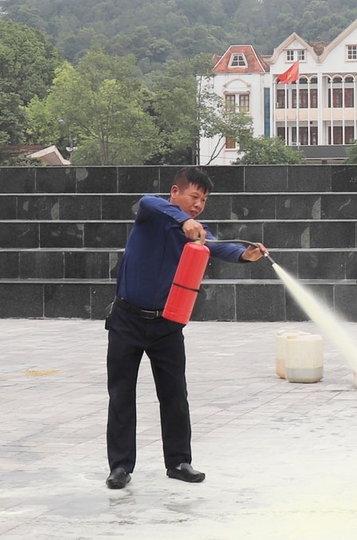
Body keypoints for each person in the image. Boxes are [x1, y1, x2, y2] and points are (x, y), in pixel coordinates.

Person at [104, 167, 267, 490]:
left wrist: (245, 256)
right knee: (122, 395)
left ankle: (179, 461)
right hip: (127, 320)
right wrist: (182, 220)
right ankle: (120, 466)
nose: (198, 205)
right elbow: (147, 201)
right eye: (194, 196)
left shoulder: (196, 231)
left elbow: (219, 247)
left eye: (203, 200)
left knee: (175, 395)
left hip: (167, 324)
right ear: (175, 192)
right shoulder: (153, 214)